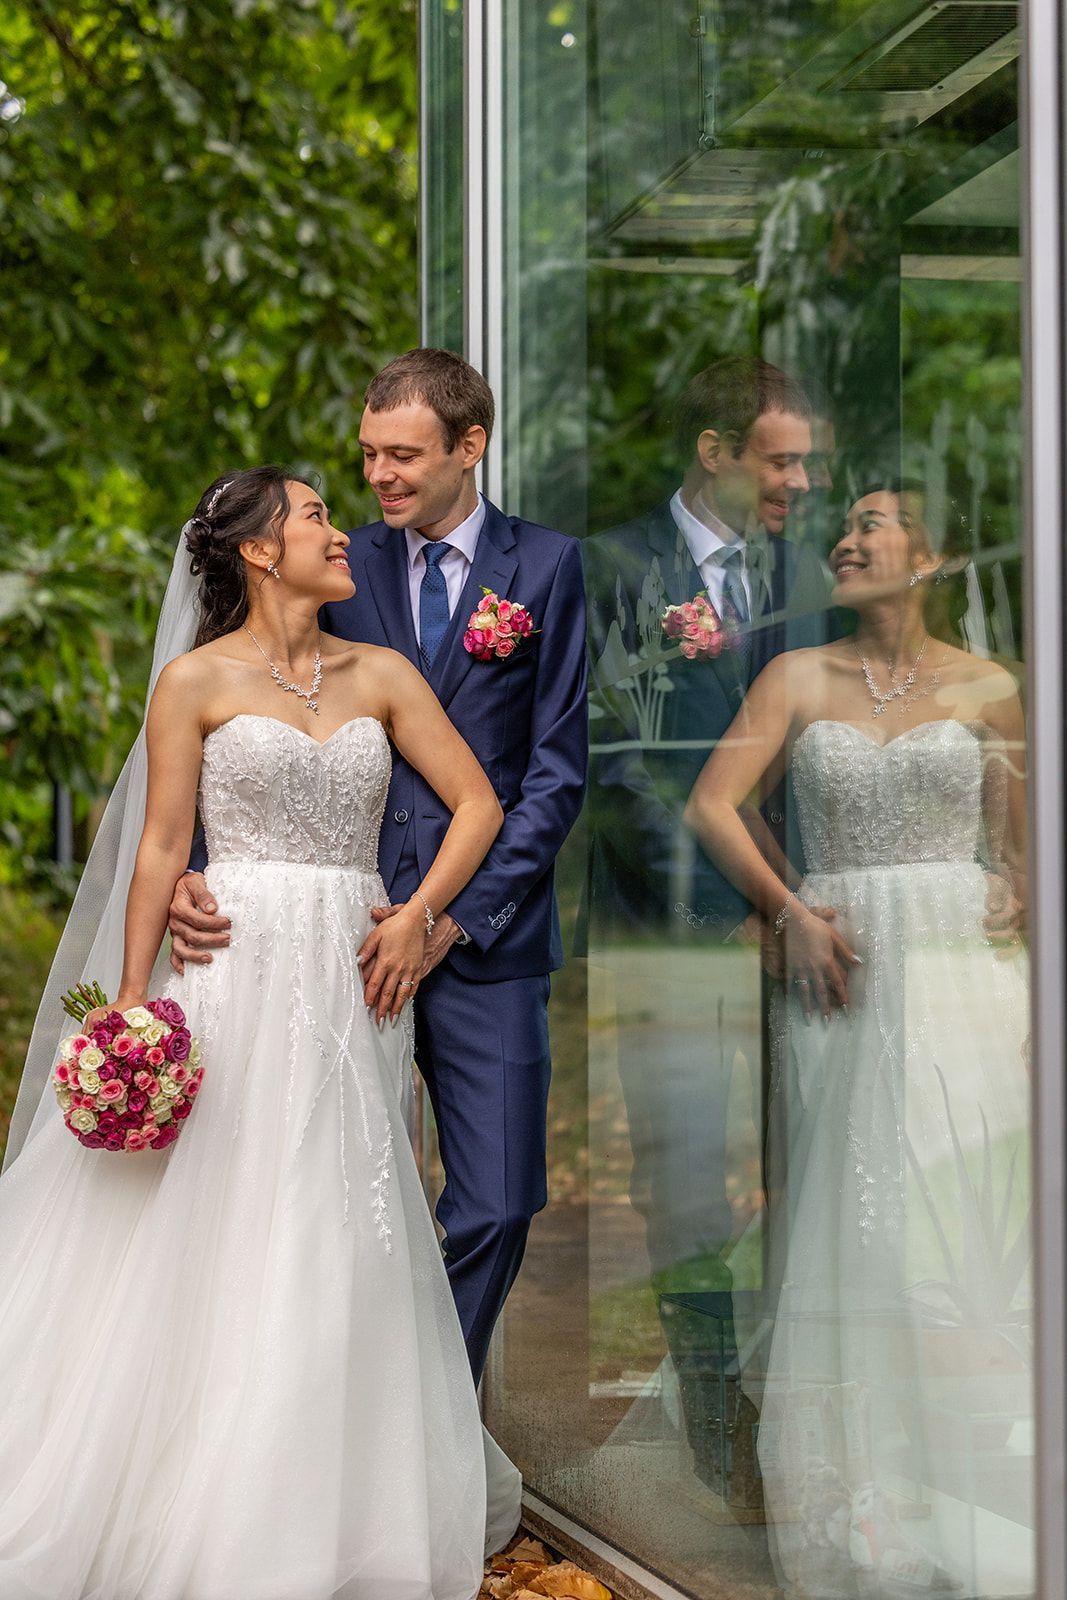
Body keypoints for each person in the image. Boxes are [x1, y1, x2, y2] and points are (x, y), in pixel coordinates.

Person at [0, 466, 522, 1599]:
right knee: (233, 1206)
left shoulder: (382, 674)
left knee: (343, 1208)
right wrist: (131, 1005)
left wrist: (420, 914)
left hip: (354, 968)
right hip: (230, 963)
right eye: (315, 515)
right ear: (253, 550)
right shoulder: (192, 681)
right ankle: (201, 1493)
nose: (339, 532)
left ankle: (337, 1503)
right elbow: (159, 846)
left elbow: (477, 802)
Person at [169, 350, 589, 1382]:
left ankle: (418, 1409)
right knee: (306, 1196)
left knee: (494, 1200)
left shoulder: (544, 569)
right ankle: (330, 1415)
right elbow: (229, 711)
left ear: (469, 446)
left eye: (403, 455)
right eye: (367, 456)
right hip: (322, 942)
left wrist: (444, 918)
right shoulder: (331, 565)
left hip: (477, 934)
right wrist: (191, 865)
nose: (380, 479)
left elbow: (553, 775)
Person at [685, 483, 1033, 1596]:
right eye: (844, 525)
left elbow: (1022, 855)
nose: (846, 536)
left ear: (927, 559)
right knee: (857, 1224)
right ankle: (872, 1504)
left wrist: (1015, 896)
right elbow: (712, 804)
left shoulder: (993, 689)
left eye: (873, 522)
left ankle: (991, 1489)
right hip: (838, 971)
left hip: (963, 980)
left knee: (961, 1216)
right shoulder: (794, 677)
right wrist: (788, 912)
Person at [582, 356, 832, 1503]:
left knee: (809, 1162)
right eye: (781, 459)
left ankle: (799, 1398)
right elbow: (614, 761)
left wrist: (806, 903)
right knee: (685, 1175)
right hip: (670, 929)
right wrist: (728, 911)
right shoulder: (613, 568)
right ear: (715, 451)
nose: (798, 480)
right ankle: (711, 1420)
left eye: (807, 462)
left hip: (807, 930)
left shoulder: (807, 575)